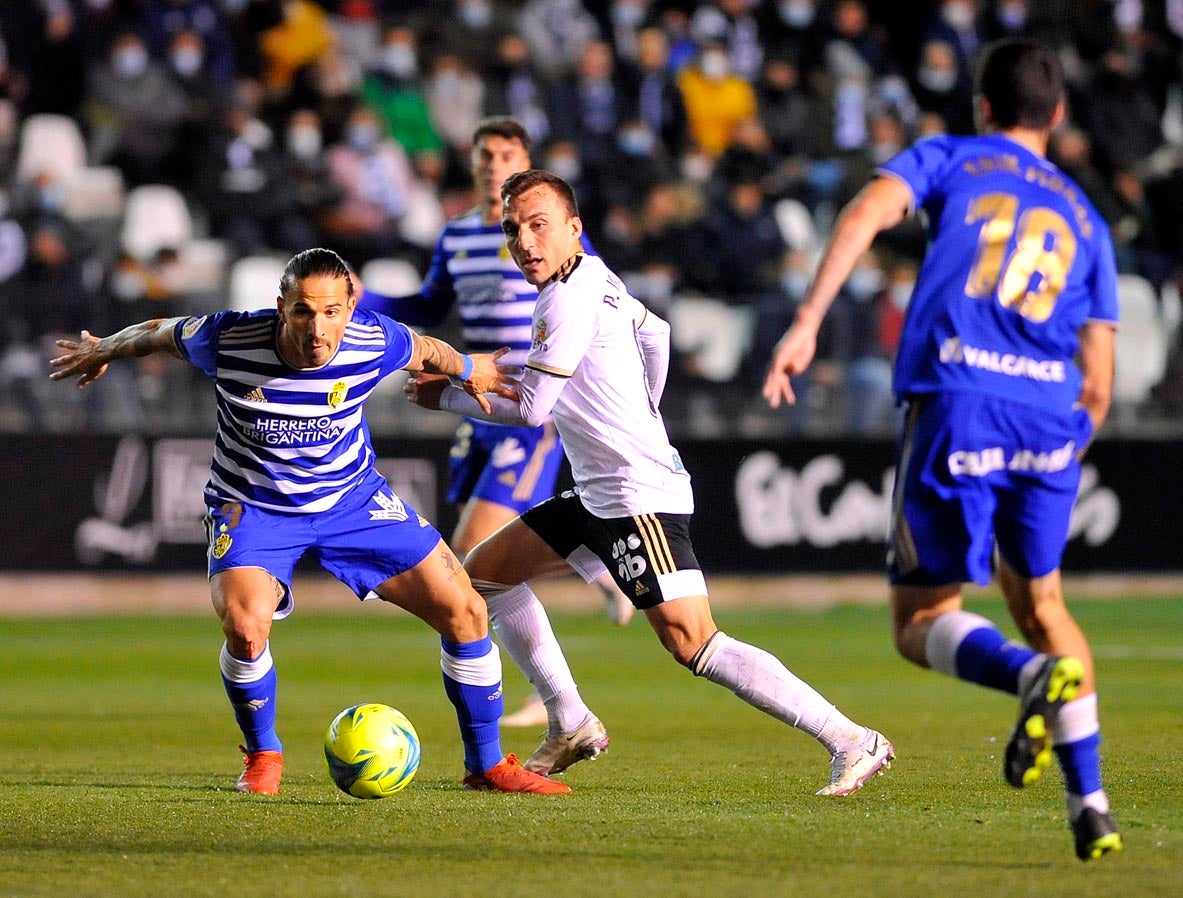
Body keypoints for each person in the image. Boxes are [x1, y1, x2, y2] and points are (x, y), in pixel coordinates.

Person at [406, 169, 894, 796]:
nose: (524, 241)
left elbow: (530, 408)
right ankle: (571, 720)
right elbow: (654, 334)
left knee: (694, 641)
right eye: (512, 229)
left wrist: (446, 399)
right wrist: (645, 408)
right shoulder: (593, 277)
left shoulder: (566, 297)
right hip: (597, 491)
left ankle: (853, 739)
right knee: (485, 574)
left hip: (635, 495)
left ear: (573, 229)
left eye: (538, 225)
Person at [761, 38, 1122, 860]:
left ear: (981, 105)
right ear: (1056, 114)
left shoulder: (950, 156)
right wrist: (1056, 452)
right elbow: (1098, 383)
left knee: (921, 617)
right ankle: (1089, 802)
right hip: (1048, 419)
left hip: (959, 397)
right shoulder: (1083, 216)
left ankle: (1024, 681)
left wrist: (810, 319)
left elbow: (864, 213)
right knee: (1044, 607)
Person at [48, 247, 570, 797]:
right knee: (246, 628)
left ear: (350, 309)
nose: (317, 328)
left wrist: (471, 368)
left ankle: (486, 766)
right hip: (253, 506)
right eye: (302, 311)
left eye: (330, 312)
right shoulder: (227, 337)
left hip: (353, 502)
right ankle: (263, 756)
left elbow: (426, 350)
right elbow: (157, 331)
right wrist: (104, 348)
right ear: (281, 307)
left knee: (465, 609)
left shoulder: (375, 338)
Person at [358, 116, 634, 728]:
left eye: (505, 153)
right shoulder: (457, 236)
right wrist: (364, 296)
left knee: (474, 555)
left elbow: (606, 299)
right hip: (476, 405)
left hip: (531, 406)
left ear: (524, 160)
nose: (492, 164)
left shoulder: (552, 238)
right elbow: (428, 307)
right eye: (484, 154)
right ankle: (602, 560)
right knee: (480, 558)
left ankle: (550, 692)